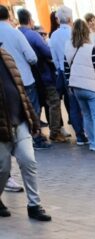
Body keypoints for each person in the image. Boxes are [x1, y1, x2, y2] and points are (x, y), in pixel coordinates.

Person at [0, 45, 51, 220]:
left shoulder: (6, 55)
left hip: (20, 121)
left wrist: (33, 119)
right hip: (1, 127)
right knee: (3, 168)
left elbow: (21, 91)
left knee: (28, 161)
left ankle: (34, 205)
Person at [17, 8, 63, 145]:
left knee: (34, 106)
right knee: (54, 101)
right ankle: (55, 132)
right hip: (43, 75)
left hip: (27, 77)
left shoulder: (17, 34)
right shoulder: (33, 35)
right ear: (29, 20)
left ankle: (36, 133)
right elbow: (47, 52)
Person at [64, 18, 95, 153]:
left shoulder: (68, 47)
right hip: (92, 87)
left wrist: (70, 85)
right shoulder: (90, 47)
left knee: (87, 115)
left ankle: (93, 142)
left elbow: (66, 70)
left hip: (76, 87)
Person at [49, 4, 87, 145]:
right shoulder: (74, 33)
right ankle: (87, 132)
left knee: (72, 104)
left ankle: (80, 136)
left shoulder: (54, 35)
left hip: (64, 73)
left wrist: (60, 69)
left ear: (59, 19)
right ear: (70, 18)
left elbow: (54, 58)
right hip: (79, 71)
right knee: (84, 103)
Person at [0, 6, 39, 112]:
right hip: (24, 80)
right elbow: (32, 58)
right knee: (33, 113)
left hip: (4, 86)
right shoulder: (15, 33)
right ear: (9, 16)